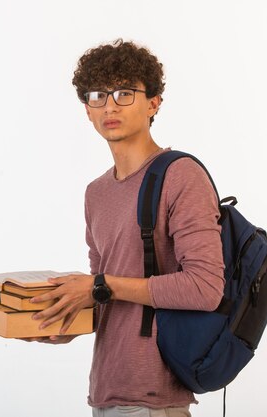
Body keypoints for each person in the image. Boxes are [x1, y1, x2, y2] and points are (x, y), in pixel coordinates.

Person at [27, 39, 225, 417]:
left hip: (156, 396)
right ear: (87, 109)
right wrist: (69, 324)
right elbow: (106, 297)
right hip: (107, 392)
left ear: (154, 103)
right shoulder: (96, 193)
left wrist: (101, 285)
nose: (110, 105)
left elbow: (205, 288)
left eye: (124, 92)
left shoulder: (180, 175)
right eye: (98, 95)